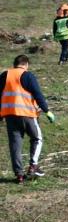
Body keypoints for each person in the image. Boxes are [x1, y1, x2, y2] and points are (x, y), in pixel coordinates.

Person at [1, 55, 56, 184]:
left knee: (15, 145)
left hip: (10, 115)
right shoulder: (27, 75)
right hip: (27, 114)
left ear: (15, 64)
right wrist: (47, 111)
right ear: (25, 64)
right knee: (37, 138)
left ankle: (19, 175)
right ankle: (33, 166)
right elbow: (38, 94)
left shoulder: (4, 75)